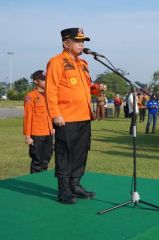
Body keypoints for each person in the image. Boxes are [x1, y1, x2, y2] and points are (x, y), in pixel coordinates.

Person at [45, 27, 96, 204]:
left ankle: (76, 184)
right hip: (66, 117)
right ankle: (64, 189)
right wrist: (55, 114)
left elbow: (85, 87)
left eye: (83, 41)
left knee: (81, 153)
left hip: (84, 116)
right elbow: (50, 90)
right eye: (77, 41)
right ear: (66, 43)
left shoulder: (83, 64)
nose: (81, 44)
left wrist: (96, 89)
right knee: (64, 153)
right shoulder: (56, 62)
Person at [23, 70, 54, 174]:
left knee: (46, 160)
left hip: (49, 132)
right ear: (36, 81)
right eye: (43, 79)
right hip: (37, 133)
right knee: (37, 161)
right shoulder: (31, 96)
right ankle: (34, 181)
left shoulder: (50, 95)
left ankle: (42, 180)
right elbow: (28, 117)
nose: (46, 81)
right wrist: (28, 136)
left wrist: (53, 127)